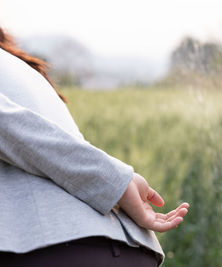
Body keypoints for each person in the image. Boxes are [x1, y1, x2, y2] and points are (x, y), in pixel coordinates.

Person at [0, 27, 189, 267]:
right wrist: (118, 180)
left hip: (52, 253)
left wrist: (116, 182)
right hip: (131, 249)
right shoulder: (22, 68)